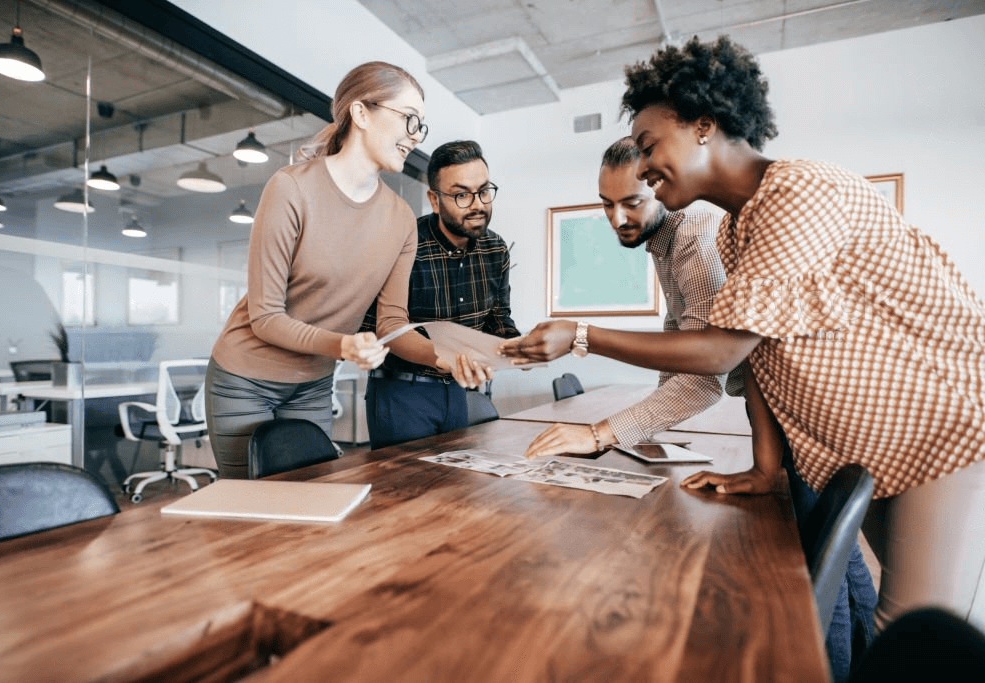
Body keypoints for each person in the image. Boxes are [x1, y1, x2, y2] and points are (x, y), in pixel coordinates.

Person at [501, 33, 985, 671]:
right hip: (866, 446)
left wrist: (582, 334)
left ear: (705, 127)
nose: (642, 168)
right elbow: (761, 356)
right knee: (883, 622)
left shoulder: (798, 194)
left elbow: (721, 353)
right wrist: (763, 467)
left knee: (913, 641)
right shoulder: (737, 229)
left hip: (939, 429)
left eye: (649, 147)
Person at [204, 60, 428, 479]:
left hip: (313, 385)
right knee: (245, 515)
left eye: (421, 126)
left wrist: (448, 355)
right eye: (408, 119)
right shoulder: (292, 188)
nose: (414, 136)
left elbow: (392, 320)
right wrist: (345, 346)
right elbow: (266, 317)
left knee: (310, 506)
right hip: (243, 380)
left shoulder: (401, 218)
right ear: (361, 113)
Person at [522, 136, 743, 460]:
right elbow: (676, 341)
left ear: (661, 188)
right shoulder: (663, 241)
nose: (617, 219)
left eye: (632, 203)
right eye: (607, 203)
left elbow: (703, 377)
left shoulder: (694, 237)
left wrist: (598, 435)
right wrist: (645, 430)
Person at [363, 140, 517, 449]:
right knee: (407, 493)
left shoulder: (496, 249)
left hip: (458, 393)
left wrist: (520, 348)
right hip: (403, 394)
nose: (478, 205)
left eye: (484, 191)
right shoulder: (405, 243)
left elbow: (499, 321)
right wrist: (444, 358)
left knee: (456, 487)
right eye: (462, 195)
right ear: (435, 200)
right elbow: (375, 331)